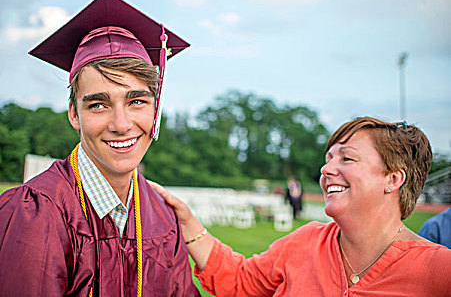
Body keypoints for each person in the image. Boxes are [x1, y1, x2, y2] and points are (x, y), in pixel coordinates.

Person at [0, 0, 199, 296]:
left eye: (136, 101)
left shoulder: (163, 216)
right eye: (98, 105)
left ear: (155, 109)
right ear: (74, 114)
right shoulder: (35, 213)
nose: (120, 125)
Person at [151, 117, 451, 296]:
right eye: (328, 158)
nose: (326, 169)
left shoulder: (439, 271)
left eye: (346, 158)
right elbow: (241, 282)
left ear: (393, 178)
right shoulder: (305, 242)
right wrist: (187, 220)